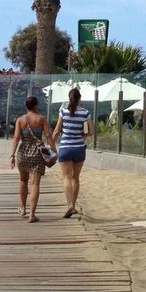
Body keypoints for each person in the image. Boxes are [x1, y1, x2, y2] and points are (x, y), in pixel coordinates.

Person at [10, 96, 54, 223]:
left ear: (26, 106)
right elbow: (48, 136)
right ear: (36, 105)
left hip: (23, 153)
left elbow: (16, 138)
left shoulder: (20, 120)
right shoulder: (41, 119)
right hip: (37, 153)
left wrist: (12, 155)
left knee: (23, 180)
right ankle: (32, 215)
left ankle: (23, 208)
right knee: (35, 184)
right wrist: (53, 150)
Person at [51, 87, 90, 218]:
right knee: (75, 178)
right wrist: (81, 137)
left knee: (66, 178)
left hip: (65, 148)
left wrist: (51, 145)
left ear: (69, 98)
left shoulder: (63, 112)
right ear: (80, 99)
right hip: (79, 148)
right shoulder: (85, 113)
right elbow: (91, 131)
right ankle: (73, 204)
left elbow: (56, 131)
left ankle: (70, 206)